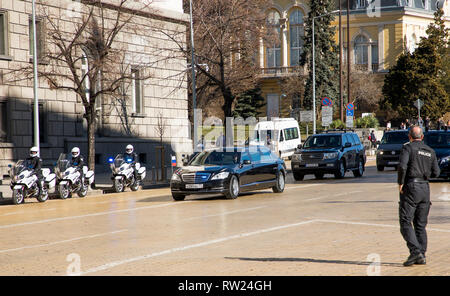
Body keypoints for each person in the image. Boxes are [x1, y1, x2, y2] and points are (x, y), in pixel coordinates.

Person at [397, 126, 440, 266]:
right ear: (422, 137)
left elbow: (402, 166)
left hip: (411, 187)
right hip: (425, 189)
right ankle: (422, 254)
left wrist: (400, 183)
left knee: (405, 221)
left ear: (409, 136)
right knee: (420, 225)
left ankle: (416, 252)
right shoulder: (430, 151)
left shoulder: (408, 148)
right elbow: (436, 173)